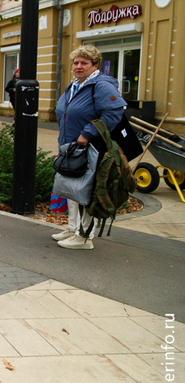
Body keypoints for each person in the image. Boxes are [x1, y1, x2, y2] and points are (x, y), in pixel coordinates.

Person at [53, 45, 127, 250]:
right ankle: (72, 228)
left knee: (85, 190)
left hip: (91, 148)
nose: (78, 66)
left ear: (95, 65)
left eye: (84, 63)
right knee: (71, 188)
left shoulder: (101, 85)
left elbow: (113, 113)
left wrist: (87, 133)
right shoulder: (74, 85)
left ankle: (85, 236)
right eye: (76, 62)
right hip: (70, 146)